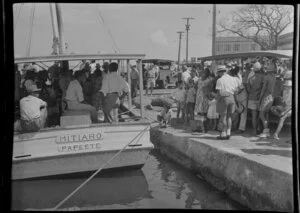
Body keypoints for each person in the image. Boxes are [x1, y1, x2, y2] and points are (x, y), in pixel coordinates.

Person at [215, 65, 240, 140]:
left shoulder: (220, 80)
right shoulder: (233, 79)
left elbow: (219, 93)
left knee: (223, 117)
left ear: (220, 72)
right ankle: (228, 133)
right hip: (232, 98)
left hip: (223, 98)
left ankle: (223, 133)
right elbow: (236, 91)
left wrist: (215, 98)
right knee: (229, 117)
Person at [270, 72, 292, 140]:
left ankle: (276, 134)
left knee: (282, 118)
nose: (285, 87)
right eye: (285, 86)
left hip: (290, 108)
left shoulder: (292, 92)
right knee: (272, 108)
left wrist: (284, 112)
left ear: (290, 87)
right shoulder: (284, 92)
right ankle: (280, 115)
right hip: (286, 107)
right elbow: (284, 102)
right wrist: (279, 107)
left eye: (287, 86)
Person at [257, 63, 277, 138]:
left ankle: (266, 131)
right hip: (271, 97)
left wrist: (260, 99)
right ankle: (266, 130)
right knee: (266, 114)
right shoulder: (274, 78)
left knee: (261, 114)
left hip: (265, 97)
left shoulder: (266, 77)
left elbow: (263, 89)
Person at [247, 62, 265, 136]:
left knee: (254, 116)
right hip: (260, 98)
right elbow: (264, 88)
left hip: (251, 97)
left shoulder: (251, 78)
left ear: (254, 70)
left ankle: (254, 130)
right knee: (261, 115)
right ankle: (259, 128)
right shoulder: (263, 77)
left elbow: (248, 89)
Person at [194, 67, 214, 132]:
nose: (202, 74)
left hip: (205, 99)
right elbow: (196, 87)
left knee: (205, 114)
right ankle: (199, 127)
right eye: (202, 72)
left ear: (207, 74)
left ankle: (205, 128)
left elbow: (211, 88)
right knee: (199, 113)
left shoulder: (209, 80)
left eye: (204, 72)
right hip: (199, 99)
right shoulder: (199, 80)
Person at [230, 66, 248, 133]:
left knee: (243, 113)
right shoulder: (234, 78)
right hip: (237, 97)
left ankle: (241, 128)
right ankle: (234, 126)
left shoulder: (237, 79)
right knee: (236, 112)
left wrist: (236, 93)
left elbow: (241, 88)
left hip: (242, 97)